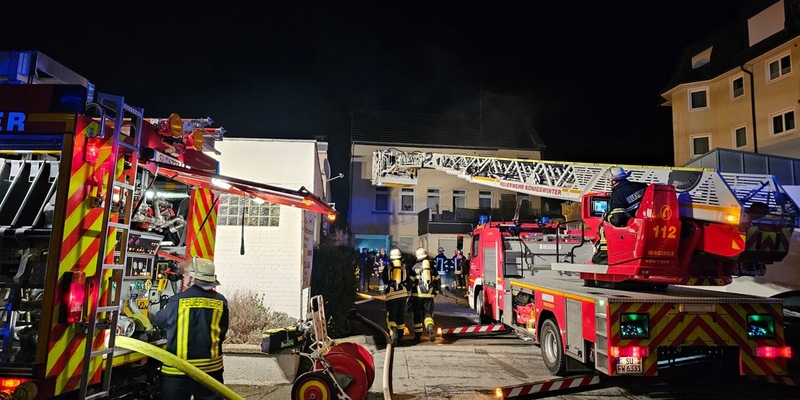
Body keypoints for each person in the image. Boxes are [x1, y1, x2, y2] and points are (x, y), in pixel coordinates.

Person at [152, 256, 229, 400]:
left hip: (178, 371)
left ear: (192, 278)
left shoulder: (178, 300)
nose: (184, 276)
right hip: (211, 370)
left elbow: (160, 320)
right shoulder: (220, 301)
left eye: (186, 273)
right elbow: (222, 331)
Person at [592, 167, 649, 264]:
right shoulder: (641, 186)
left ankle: (605, 255)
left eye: (609, 180)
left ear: (613, 181)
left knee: (603, 226)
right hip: (647, 221)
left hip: (634, 227)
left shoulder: (617, 195)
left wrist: (606, 216)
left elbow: (618, 220)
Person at [409, 247, 441, 342]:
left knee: (417, 315)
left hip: (417, 296)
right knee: (428, 314)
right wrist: (436, 292)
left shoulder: (414, 268)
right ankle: (430, 327)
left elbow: (410, 282)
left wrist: (408, 291)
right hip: (429, 295)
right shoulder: (432, 268)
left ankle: (418, 336)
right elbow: (438, 281)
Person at [381, 247, 409, 346]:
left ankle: (393, 334)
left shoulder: (387, 267)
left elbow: (384, 280)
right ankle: (401, 336)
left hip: (391, 295)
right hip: (403, 295)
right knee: (400, 315)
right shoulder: (404, 267)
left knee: (391, 315)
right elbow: (408, 281)